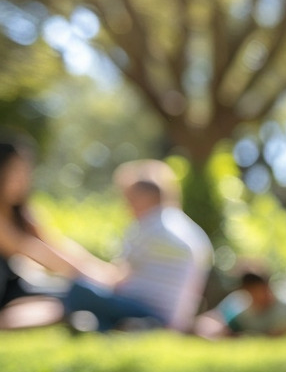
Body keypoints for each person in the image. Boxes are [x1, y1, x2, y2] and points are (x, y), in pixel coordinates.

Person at [61, 159, 213, 332]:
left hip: (148, 311)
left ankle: (111, 326)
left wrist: (74, 266)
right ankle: (111, 327)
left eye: (129, 198)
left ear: (145, 197)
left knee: (79, 289)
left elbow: (116, 278)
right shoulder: (189, 229)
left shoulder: (149, 226)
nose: (126, 206)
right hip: (176, 318)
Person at [0, 135, 113, 329]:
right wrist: (93, 277)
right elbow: (34, 251)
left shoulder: (21, 213)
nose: (24, 178)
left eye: (27, 170)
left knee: (68, 297)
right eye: (16, 171)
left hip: (14, 290)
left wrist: (105, 271)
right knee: (70, 300)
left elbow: (55, 244)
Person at [196, 264, 286, 338]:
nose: (258, 296)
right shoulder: (239, 307)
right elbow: (214, 321)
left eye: (259, 290)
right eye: (252, 292)